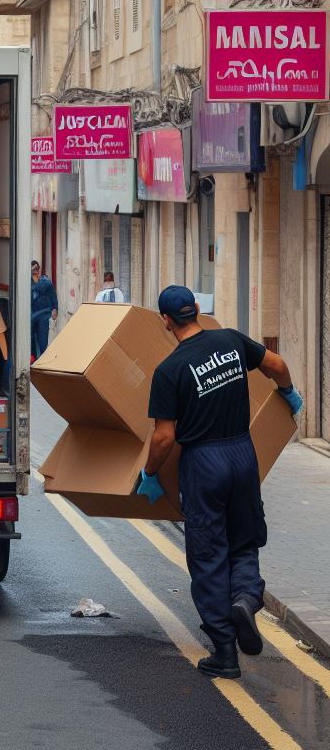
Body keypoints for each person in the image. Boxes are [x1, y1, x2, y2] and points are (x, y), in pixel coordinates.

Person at [136, 285, 304, 680]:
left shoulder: (169, 370)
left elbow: (164, 437)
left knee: (209, 554)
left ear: (165, 321)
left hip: (204, 463)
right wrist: (289, 394)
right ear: (196, 310)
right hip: (242, 453)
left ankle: (225, 653)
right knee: (243, 537)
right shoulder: (230, 340)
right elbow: (276, 365)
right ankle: (246, 597)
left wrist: (150, 474)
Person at [30, 260, 58, 359]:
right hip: (31, 315)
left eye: (37, 269)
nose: (35, 271)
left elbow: (53, 296)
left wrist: (55, 309)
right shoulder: (27, 282)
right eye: (33, 270)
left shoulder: (45, 282)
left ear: (39, 269)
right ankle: (32, 358)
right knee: (31, 338)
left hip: (44, 314)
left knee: (42, 339)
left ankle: (42, 359)